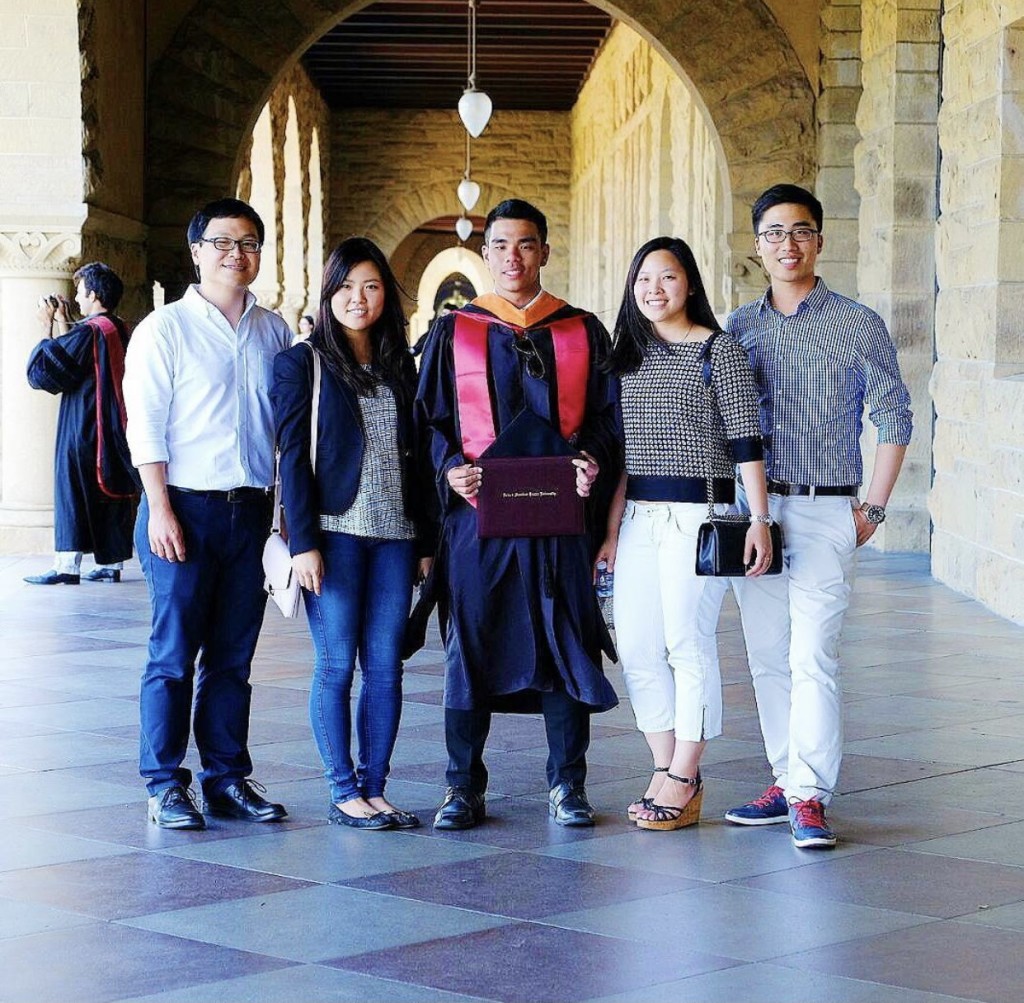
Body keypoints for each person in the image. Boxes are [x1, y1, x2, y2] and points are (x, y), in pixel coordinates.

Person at [416, 198, 621, 830]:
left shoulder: (581, 329)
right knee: (470, 645)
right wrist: (450, 463)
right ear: (486, 255)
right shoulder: (456, 331)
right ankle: (462, 787)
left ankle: (567, 784)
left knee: (564, 641)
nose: (513, 256)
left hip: (561, 523)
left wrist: (590, 459)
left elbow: (609, 422)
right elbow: (428, 421)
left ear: (545, 252)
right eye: (501, 245)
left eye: (526, 244)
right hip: (477, 522)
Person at [724, 184, 912, 848]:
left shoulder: (858, 322)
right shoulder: (738, 328)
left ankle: (810, 795)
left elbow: (895, 417)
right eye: (773, 233)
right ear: (757, 246)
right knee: (768, 656)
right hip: (758, 514)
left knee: (814, 656)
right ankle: (785, 777)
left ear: (820, 241)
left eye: (799, 231)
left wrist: (874, 506)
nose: (786, 244)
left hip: (829, 506)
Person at [123, 197, 293, 830]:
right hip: (182, 509)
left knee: (232, 656)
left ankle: (226, 777)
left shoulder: (273, 331)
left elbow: (284, 432)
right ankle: (165, 782)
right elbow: (145, 426)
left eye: (248, 243)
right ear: (196, 251)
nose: (236, 254)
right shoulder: (163, 329)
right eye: (222, 242)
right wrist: (159, 507)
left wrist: (281, 515)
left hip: (248, 511)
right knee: (173, 652)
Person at [597, 237, 774, 832]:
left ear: (689, 284)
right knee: (638, 645)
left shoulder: (717, 352)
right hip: (641, 518)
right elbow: (622, 455)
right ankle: (665, 766)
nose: (654, 290)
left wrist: (760, 518)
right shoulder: (627, 357)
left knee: (685, 643)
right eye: (643, 279)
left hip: (702, 514)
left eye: (666, 278)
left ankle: (685, 772)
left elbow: (747, 440)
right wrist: (611, 529)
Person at [271, 238, 433, 830]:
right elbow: (292, 457)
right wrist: (302, 542)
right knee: (337, 664)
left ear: (385, 292)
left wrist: (426, 540)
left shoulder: (399, 364)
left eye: (368, 285)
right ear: (328, 293)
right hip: (333, 537)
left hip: (395, 538)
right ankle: (343, 789)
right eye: (344, 287)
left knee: (386, 665)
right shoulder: (301, 363)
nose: (356, 298)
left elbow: (415, 458)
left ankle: (375, 787)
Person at [24, 264, 136, 585]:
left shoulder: (90, 331)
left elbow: (47, 373)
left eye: (80, 291)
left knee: (71, 488)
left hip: (84, 423)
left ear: (94, 294)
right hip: (112, 426)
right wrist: (63, 322)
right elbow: (76, 362)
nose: (76, 297)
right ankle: (111, 564)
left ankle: (66, 566)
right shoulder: (117, 327)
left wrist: (45, 328)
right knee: (108, 495)